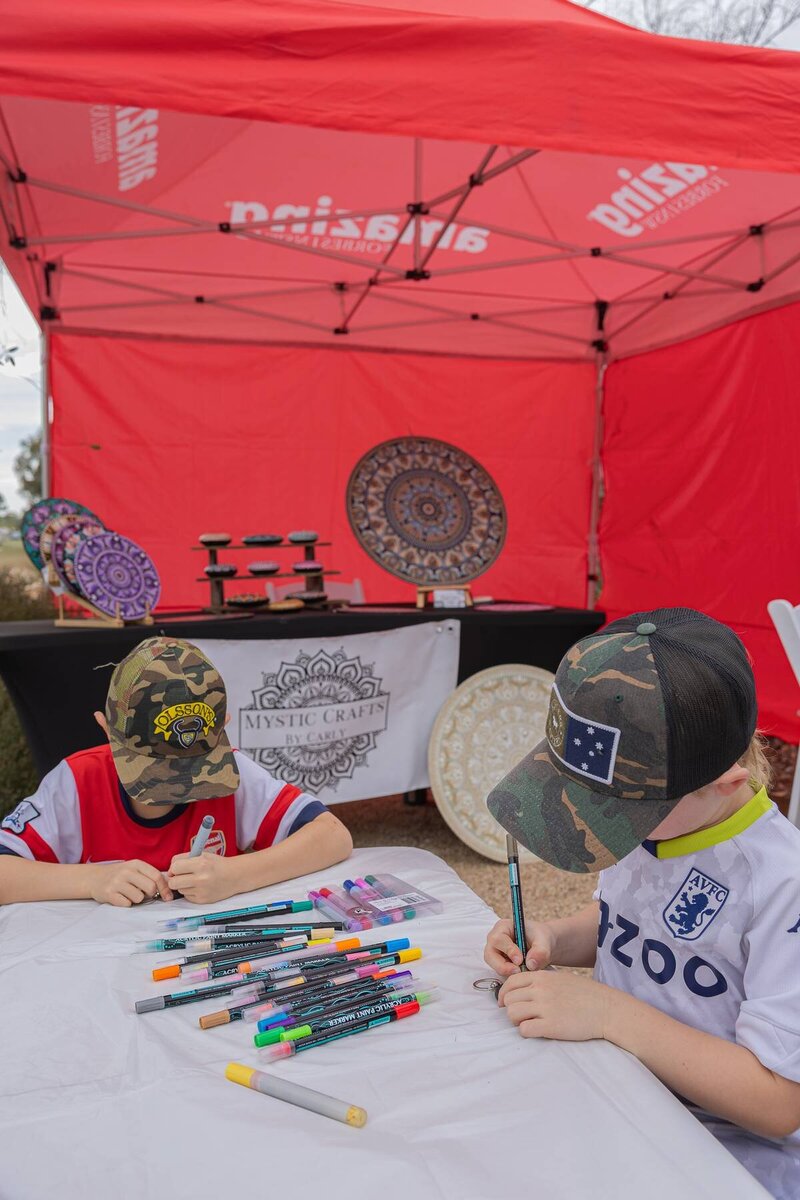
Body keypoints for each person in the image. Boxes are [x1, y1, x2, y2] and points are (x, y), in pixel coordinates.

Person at [484, 608, 800, 1199]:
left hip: (725, 1156)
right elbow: (621, 925)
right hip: (617, 1097)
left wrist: (607, 1014)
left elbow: (778, 1103)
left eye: (619, 811)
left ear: (728, 779)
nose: (601, 823)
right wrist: (555, 936)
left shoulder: (783, 887)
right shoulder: (658, 825)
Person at [0, 636, 352, 906]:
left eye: (192, 768)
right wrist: (92, 880)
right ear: (106, 729)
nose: (172, 788)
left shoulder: (234, 772)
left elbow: (333, 836)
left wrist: (236, 875)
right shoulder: (77, 782)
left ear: (221, 730)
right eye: (152, 768)